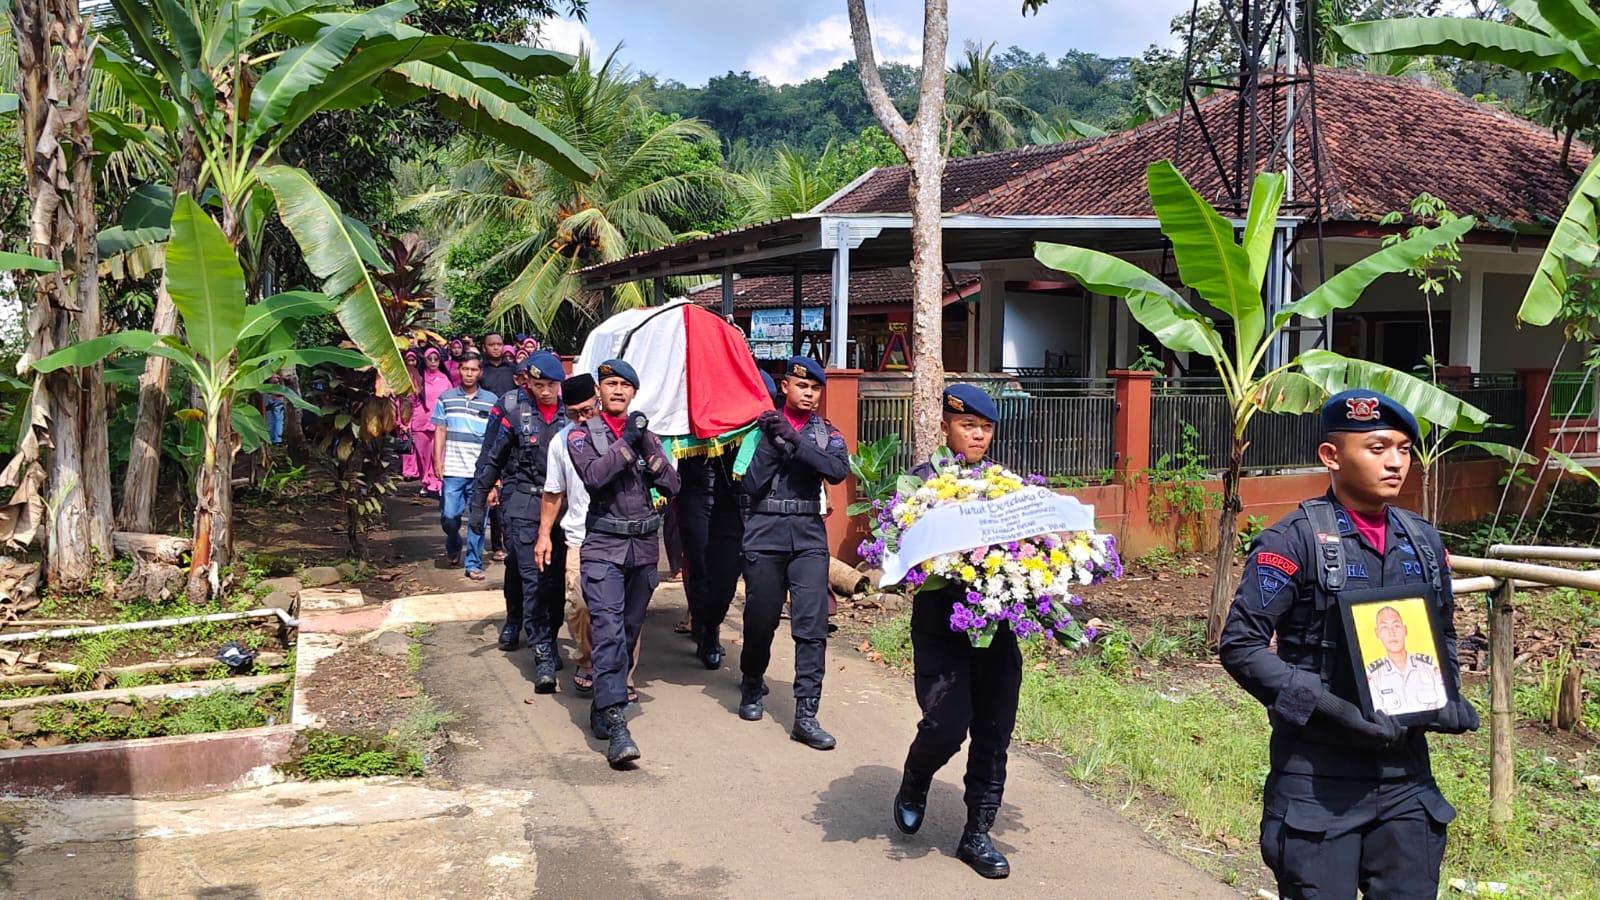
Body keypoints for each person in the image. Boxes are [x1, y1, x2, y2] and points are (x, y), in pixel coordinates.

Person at [1219, 390, 1478, 900]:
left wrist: (1444, 696)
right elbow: (1241, 647)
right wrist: (1331, 708)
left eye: (1403, 449)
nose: (1395, 462)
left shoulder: (1424, 543)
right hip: (1317, 778)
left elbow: (1441, 632)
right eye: (1378, 448)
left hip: (1406, 779)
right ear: (1331, 456)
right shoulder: (1292, 541)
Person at [891, 384, 1019, 879]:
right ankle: (916, 776)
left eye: (986, 428)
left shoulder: (1006, 487)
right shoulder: (921, 486)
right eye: (968, 426)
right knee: (946, 724)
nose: (978, 435)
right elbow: (898, 552)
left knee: (994, 729)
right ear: (945, 426)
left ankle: (977, 833)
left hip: (997, 628)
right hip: (942, 625)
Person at [567, 359, 680, 767]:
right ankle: (617, 724)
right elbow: (595, 476)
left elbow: (672, 483)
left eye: (624, 385)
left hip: (643, 548)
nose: (617, 390)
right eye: (610, 384)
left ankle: (603, 702)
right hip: (604, 547)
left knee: (629, 632)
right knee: (609, 631)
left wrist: (646, 449)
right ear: (599, 391)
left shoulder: (648, 435)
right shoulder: (582, 435)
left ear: (634, 392)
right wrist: (627, 442)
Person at [736, 357, 849, 751]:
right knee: (761, 619)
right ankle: (752, 683)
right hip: (764, 531)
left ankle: (806, 714)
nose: (809, 394)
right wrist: (773, 440)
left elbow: (836, 470)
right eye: (802, 386)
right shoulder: (759, 432)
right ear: (785, 387)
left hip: (807, 535)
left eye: (815, 389)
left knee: (812, 624)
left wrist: (797, 441)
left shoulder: (826, 434)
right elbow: (750, 483)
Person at [536, 374, 645, 699]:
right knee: (581, 606)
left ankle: (623, 675)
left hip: (624, 538)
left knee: (624, 613)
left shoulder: (628, 435)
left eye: (587, 410)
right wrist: (544, 535)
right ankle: (588, 660)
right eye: (574, 414)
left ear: (599, 397)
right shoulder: (564, 442)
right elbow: (553, 492)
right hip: (580, 537)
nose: (583, 418)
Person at [470, 352, 570, 690]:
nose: (545, 392)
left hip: (562, 506)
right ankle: (540, 651)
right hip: (523, 500)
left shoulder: (572, 413)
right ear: (527, 381)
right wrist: (477, 505)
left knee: (555, 580)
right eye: (539, 385)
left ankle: (549, 636)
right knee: (532, 577)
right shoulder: (513, 410)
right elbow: (491, 457)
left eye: (551, 385)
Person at [431, 352, 497, 579]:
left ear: (480, 372)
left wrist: (495, 476)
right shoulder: (446, 398)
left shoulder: (491, 401)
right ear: (459, 370)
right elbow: (440, 430)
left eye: (474, 369)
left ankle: (473, 563)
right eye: (465, 369)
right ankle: (453, 542)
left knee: (478, 521)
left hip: (481, 472)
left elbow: (496, 438)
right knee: (449, 517)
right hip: (453, 470)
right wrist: (437, 460)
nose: (469, 374)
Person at [478, 332, 517, 563]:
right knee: (493, 488)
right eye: (491, 344)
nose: (496, 348)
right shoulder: (481, 371)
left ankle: (510, 540)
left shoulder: (511, 370)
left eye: (499, 344)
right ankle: (497, 544)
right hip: (490, 429)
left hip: (512, 429)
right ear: (484, 347)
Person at [1366, 606, 1447, 716]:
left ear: (1405, 630)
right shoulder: (1373, 675)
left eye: (1396, 626)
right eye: (1384, 627)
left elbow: (1445, 708)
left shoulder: (1430, 667)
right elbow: (1377, 716)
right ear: (1377, 633)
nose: (1392, 633)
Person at [412, 347, 451, 495]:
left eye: (436, 359)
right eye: (430, 359)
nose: (433, 362)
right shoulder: (417, 378)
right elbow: (411, 399)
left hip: (439, 423)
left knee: (438, 454)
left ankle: (436, 483)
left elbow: (449, 401)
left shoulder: (445, 379)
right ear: (425, 360)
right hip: (420, 421)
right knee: (423, 456)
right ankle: (425, 481)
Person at [401, 350, 423, 480]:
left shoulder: (420, 376)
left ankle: (415, 470)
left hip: (416, 412)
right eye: (408, 360)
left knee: (416, 444)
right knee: (406, 443)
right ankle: (407, 471)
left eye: (413, 360)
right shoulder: (400, 376)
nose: (410, 363)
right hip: (403, 411)